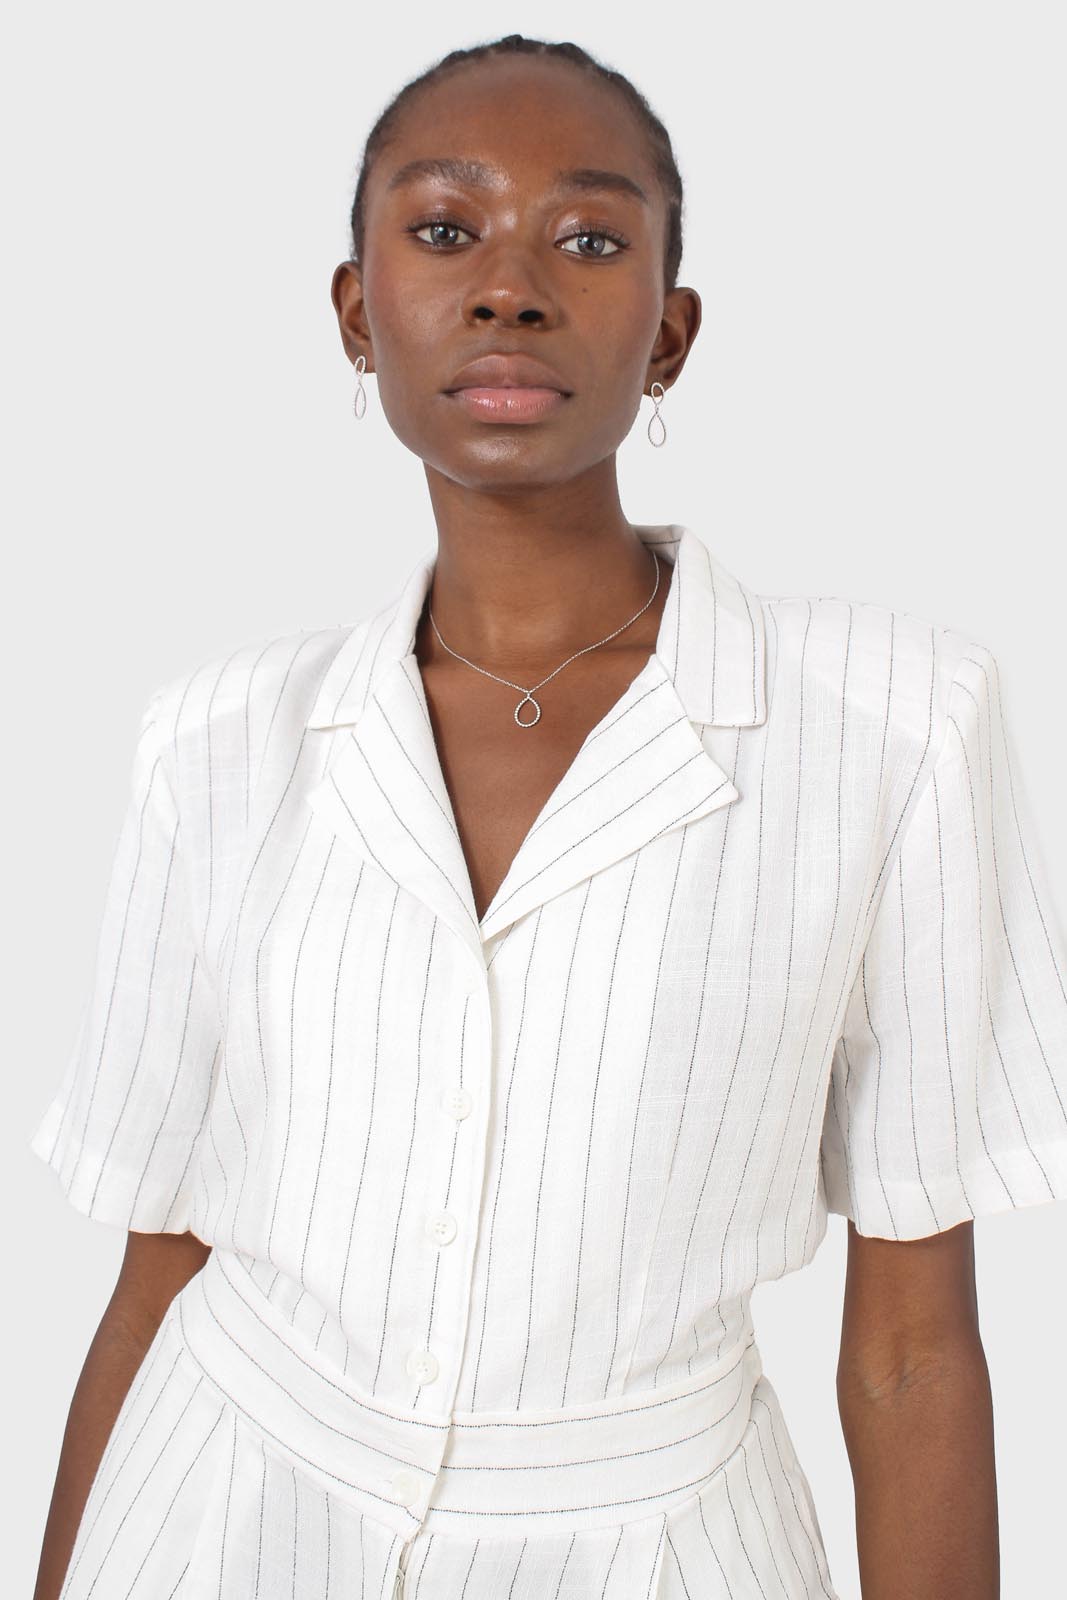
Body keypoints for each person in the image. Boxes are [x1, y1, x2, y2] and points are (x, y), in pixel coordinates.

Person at [29, 32, 1067, 1600]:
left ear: (672, 335)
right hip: (217, 1513)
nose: (509, 289)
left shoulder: (896, 728)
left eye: (587, 241)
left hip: (659, 1548)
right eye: (446, 230)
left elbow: (913, 1352)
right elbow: (155, 1268)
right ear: (356, 313)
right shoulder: (216, 744)